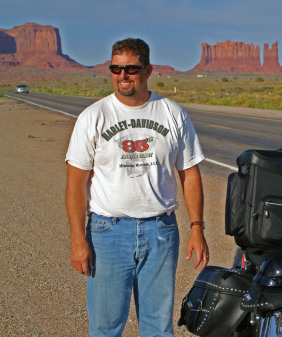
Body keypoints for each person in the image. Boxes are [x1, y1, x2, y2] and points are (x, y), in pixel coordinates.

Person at [65, 38, 209, 337]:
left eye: (131, 68)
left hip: (161, 232)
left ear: (148, 70)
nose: (123, 75)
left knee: (158, 327)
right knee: (105, 328)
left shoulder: (172, 113)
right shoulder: (94, 116)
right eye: (116, 68)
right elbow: (75, 184)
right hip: (107, 233)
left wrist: (197, 227)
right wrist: (79, 239)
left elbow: (190, 174)